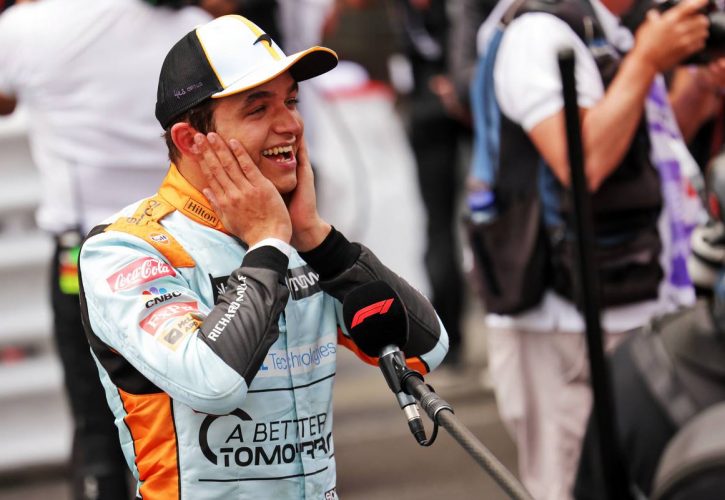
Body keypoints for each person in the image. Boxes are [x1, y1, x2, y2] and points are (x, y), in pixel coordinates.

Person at [78, 15, 448, 499]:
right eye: (258, 109)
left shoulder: (300, 237)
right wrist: (268, 245)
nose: (291, 124)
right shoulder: (125, 247)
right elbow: (214, 383)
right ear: (190, 140)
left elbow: (426, 350)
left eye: (291, 101)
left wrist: (317, 239)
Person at [469, 0, 725, 497]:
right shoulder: (538, 35)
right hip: (567, 330)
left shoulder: (609, 32)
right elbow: (582, 161)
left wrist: (697, 88)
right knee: (572, 487)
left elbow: (637, 146)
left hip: (633, 308)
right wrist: (647, 60)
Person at [0, 1, 212, 498]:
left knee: (99, 426)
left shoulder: (28, 27)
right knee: (198, 421)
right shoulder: (195, 28)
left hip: (84, 257)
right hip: (186, 247)